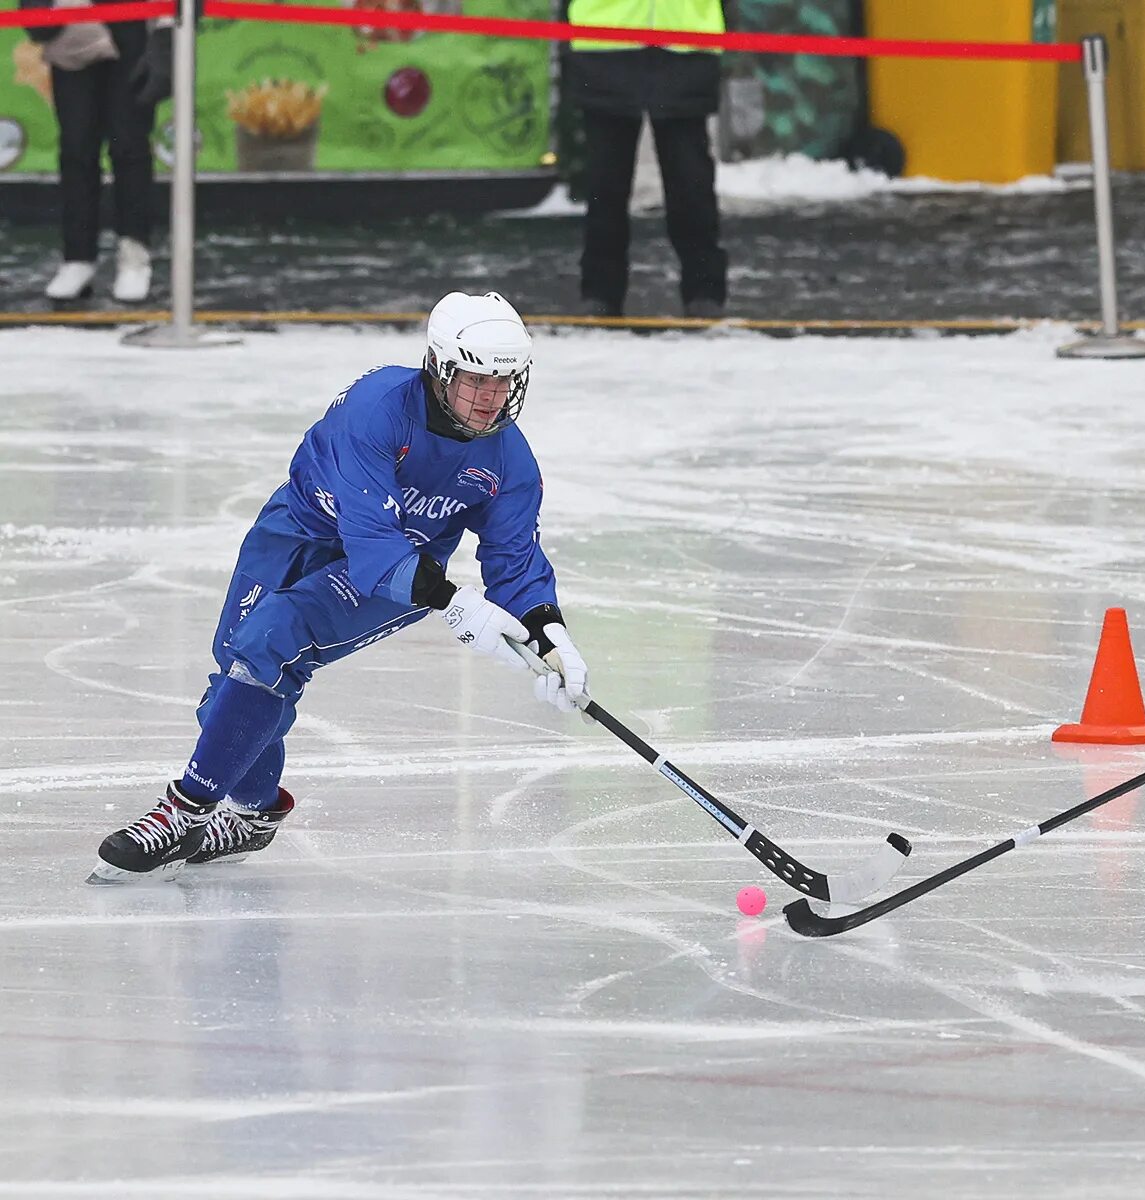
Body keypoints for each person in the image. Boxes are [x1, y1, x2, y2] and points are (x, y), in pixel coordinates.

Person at [88, 292, 590, 884]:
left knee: (272, 642)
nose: (491, 397)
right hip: (299, 530)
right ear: (440, 369)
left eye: (504, 380)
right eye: (476, 379)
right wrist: (456, 603)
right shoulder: (377, 406)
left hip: (395, 571)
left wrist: (549, 632)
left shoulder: (510, 460)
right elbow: (370, 530)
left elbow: (514, 558)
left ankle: (182, 811)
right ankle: (254, 813)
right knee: (233, 680)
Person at [563, 0, 729, 319]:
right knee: (605, 183)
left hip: (685, 42)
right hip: (606, 40)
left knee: (690, 182)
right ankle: (599, 291)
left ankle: (704, 291)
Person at [22, 0, 172, 303]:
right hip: (69, 30)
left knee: (128, 145)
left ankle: (134, 255)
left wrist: (167, 34)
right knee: (77, 147)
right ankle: (77, 258)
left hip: (133, 27)